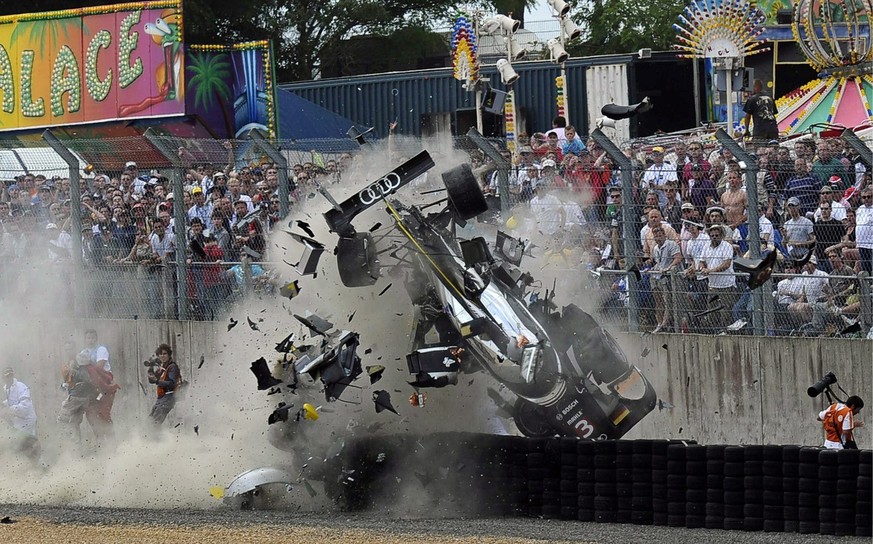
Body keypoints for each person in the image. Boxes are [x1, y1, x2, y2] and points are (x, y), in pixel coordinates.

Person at [82, 329, 119, 443]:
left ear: (96, 339)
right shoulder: (83, 352)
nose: (90, 340)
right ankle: (99, 439)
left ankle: (111, 441)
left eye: (92, 337)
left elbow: (99, 366)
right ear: (85, 339)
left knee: (104, 413)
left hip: (104, 385)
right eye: (88, 338)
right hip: (91, 387)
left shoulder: (101, 350)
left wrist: (88, 367)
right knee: (90, 413)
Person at [148, 344, 181, 424]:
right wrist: (151, 367)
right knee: (150, 421)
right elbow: (152, 380)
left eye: (164, 353)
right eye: (160, 354)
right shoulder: (163, 367)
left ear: (169, 355)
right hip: (162, 398)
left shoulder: (172, 367)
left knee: (154, 423)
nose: (162, 356)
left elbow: (172, 384)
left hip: (169, 397)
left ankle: (155, 436)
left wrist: (157, 381)